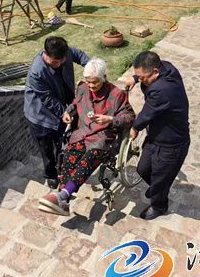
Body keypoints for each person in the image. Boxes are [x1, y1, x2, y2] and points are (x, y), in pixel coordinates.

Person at [38, 58, 135, 216]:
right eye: (88, 82)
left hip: (102, 137)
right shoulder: (83, 88)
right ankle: (63, 200)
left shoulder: (117, 95)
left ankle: (62, 196)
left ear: (104, 77)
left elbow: (130, 117)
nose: (90, 86)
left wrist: (110, 119)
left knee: (87, 159)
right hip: (82, 133)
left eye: (94, 82)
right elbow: (75, 103)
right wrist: (68, 112)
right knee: (69, 156)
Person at [126, 51, 190, 220]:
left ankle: (159, 205)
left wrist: (135, 128)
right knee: (143, 169)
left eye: (142, 78)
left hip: (171, 144)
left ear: (155, 72)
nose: (141, 80)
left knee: (160, 178)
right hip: (156, 135)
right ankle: (157, 188)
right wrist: (135, 78)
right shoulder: (166, 67)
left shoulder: (161, 90)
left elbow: (146, 114)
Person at [24, 36, 90, 189]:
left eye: (62, 61)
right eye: (55, 62)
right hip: (40, 116)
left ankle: (64, 169)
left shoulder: (64, 53)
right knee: (46, 149)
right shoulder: (37, 72)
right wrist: (65, 113)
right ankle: (51, 175)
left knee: (63, 143)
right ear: (45, 53)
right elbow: (48, 99)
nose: (59, 64)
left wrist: (92, 68)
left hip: (61, 106)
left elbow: (79, 55)